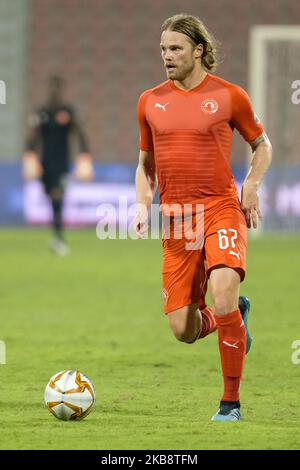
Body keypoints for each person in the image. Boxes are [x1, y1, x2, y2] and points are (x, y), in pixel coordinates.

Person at [134, 14, 272, 421]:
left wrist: (252, 184)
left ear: (198, 50)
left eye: (175, 48)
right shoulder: (149, 101)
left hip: (220, 208)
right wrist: (143, 205)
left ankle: (230, 404)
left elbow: (261, 146)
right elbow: (145, 164)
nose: (167, 56)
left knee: (223, 288)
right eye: (163, 49)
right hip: (177, 219)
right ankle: (233, 317)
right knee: (184, 329)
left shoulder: (230, 96)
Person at [23, 76, 93, 255]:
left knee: (57, 196)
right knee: (51, 197)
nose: (54, 91)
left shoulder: (68, 112)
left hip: (62, 163)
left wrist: (84, 156)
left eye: (57, 88)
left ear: (61, 90)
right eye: (52, 87)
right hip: (45, 163)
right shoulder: (41, 113)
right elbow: (32, 137)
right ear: (49, 90)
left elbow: (80, 133)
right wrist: (30, 158)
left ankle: (58, 239)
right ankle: (57, 236)